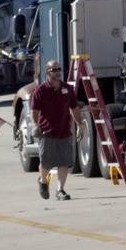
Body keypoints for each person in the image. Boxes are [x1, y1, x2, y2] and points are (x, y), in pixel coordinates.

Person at [30, 59, 79, 201]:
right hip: (47, 133)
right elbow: (34, 112)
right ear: (47, 72)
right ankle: (43, 181)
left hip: (64, 131)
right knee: (46, 163)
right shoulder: (40, 90)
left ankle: (60, 190)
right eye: (54, 70)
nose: (58, 72)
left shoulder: (67, 89)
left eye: (59, 69)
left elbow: (74, 108)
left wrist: (80, 125)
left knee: (64, 162)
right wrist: (36, 125)